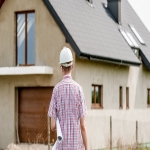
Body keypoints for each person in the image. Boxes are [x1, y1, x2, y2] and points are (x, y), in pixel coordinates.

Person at [48, 47, 88, 150]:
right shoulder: (79, 90)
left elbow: (52, 126)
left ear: (61, 67)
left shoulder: (56, 90)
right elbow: (83, 126)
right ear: (72, 66)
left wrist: (62, 125)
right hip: (76, 147)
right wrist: (87, 148)